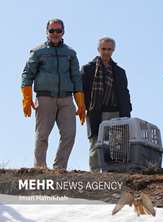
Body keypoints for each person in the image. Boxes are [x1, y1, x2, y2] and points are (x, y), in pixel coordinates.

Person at [21, 19, 85, 170]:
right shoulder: (38, 52)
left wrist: (80, 103)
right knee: (42, 135)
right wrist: (27, 97)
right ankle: (40, 167)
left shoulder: (70, 53)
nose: (55, 34)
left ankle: (59, 168)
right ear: (47, 32)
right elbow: (27, 74)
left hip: (66, 99)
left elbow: (76, 77)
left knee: (69, 134)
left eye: (58, 31)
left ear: (63, 32)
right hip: (45, 98)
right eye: (52, 31)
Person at [81, 37, 132, 172]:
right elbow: (82, 91)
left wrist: (127, 112)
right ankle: (95, 173)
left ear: (113, 50)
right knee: (96, 143)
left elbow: (125, 93)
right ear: (98, 49)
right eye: (104, 49)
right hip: (96, 112)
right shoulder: (88, 69)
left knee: (117, 144)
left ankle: (115, 172)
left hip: (116, 112)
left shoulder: (120, 71)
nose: (106, 52)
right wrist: (86, 108)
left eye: (109, 49)